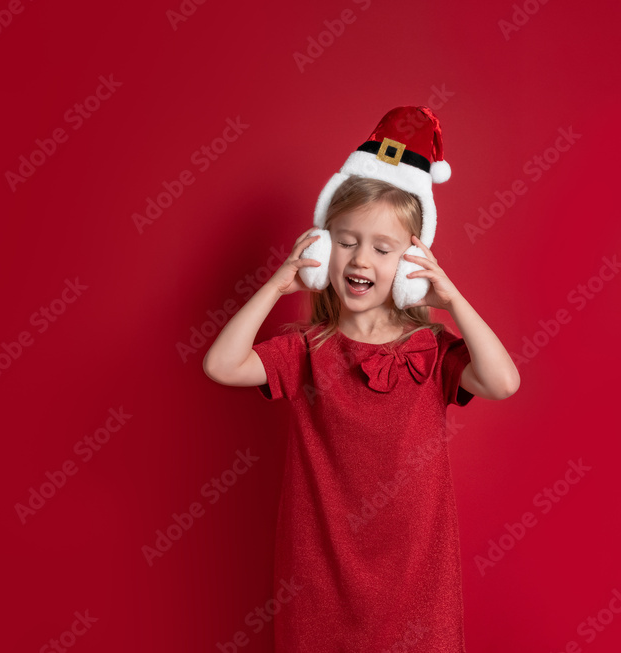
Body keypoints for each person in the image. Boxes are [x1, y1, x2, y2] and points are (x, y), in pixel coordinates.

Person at [202, 108, 520, 652]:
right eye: (346, 241)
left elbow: (503, 381)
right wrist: (280, 283)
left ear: (412, 261)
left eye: (382, 247)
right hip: (320, 570)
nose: (361, 258)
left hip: (415, 575)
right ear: (323, 251)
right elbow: (222, 365)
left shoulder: (431, 349)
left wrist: (451, 299)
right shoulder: (306, 348)